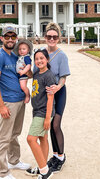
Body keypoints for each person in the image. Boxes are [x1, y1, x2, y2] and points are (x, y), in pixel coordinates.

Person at [0, 26, 31, 179]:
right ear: (2, 38)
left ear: (16, 39)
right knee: (3, 137)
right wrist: (1, 106)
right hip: (8, 102)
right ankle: (2, 172)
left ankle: (13, 161)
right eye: (7, 37)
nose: (10, 39)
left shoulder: (15, 57)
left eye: (13, 37)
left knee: (14, 133)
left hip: (20, 100)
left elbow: (25, 75)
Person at [30, 22, 70, 173]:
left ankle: (60, 156)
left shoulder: (62, 56)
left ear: (58, 38)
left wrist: (57, 87)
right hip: (44, 95)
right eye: (49, 36)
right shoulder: (42, 53)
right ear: (45, 37)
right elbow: (35, 72)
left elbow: (64, 77)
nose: (51, 39)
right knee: (48, 127)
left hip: (58, 93)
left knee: (55, 124)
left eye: (54, 36)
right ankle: (54, 155)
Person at [25, 48, 56, 179]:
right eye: (36, 59)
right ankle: (43, 166)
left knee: (31, 139)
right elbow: (32, 76)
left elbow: (50, 98)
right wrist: (26, 67)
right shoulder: (37, 73)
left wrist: (48, 118)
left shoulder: (49, 75)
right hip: (37, 110)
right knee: (43, 138)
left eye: (42, 58)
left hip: (44, 112)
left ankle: (45, 172)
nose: (39, 61)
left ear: (47, 59)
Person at [13, 39, 33, 103]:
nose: (21, 50)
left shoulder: (26, 57)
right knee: (20, 87)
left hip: (23, 75)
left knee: (23, 86)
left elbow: (28, 66)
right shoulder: (20, 57)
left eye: (24, 49)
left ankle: (27, 95)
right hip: (19, 75)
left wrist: (23, 72)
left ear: (28, 50)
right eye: (20, 49)